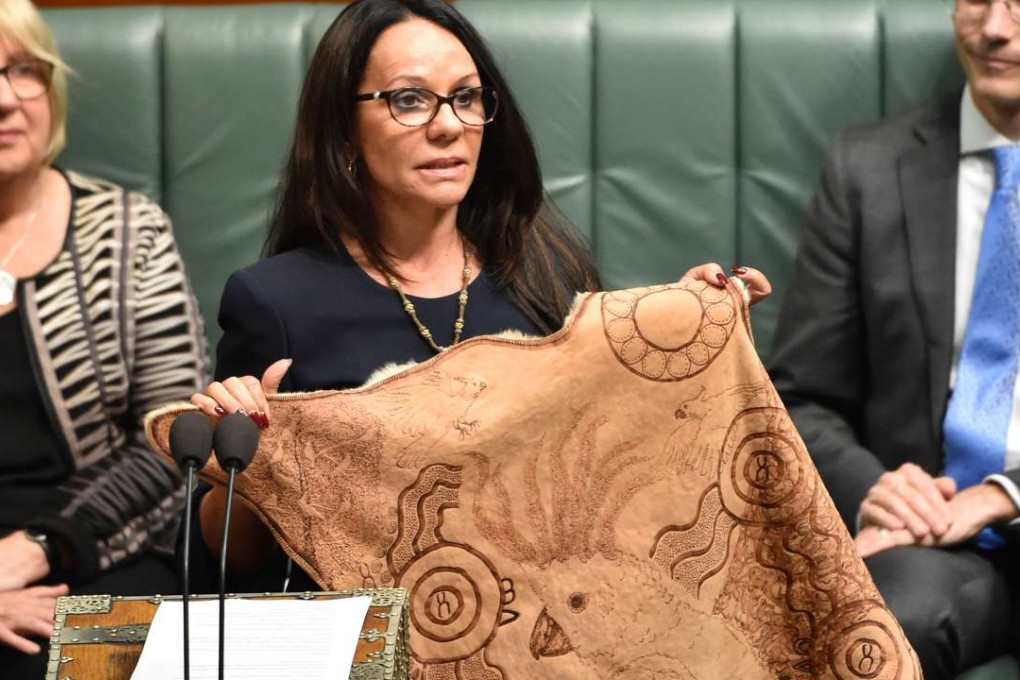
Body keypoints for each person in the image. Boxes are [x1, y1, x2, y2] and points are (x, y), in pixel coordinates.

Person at [189, 0, 771, 591]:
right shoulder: (273, 301)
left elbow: (622, 476)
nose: (448, 125)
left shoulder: (549, 272)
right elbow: (230, 560)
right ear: (343, 129)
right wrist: (251, 465)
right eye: (408, 99)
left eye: (466, 97)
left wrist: (685, 330)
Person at [769, 1, 1020, 677]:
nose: (994, 28)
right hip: (932, 540)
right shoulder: (868, 168)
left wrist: (1005, 492)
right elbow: (799, 399)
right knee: (877, 629)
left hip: (996, 499)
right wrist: (877, 488)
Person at [0, 0, 207, 674]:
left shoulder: (126, 233)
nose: (5, 100)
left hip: (99, 550)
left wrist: (35, 547)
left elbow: (172, 432)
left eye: (23, 71)